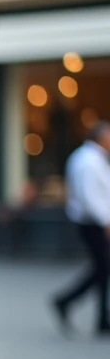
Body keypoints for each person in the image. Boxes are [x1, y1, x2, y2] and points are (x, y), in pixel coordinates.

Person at [51, 120, 110, 337]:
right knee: (102, 268)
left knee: (102, 268)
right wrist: (105, 220)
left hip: (93, 222)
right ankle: (69, 302)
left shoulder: (91, 158)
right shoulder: (89, 161)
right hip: (92, 223)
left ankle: (97, 315)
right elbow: (89, 197)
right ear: (101, 137)